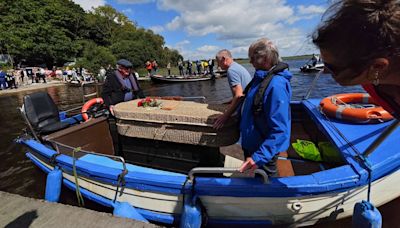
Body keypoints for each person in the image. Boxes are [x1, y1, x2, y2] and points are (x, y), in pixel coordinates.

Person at [312, 0, 400, 118]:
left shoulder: (370, 75)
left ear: (377, 66)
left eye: (333, 68)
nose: (325, 71)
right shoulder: (370, 77)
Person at [238, 38, 292, 176]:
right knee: (255, 177)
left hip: (261, 150)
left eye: (253, 58)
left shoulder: (276, 85)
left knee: (265, 180)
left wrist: (259, 157)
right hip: (253, 145)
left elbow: (280, 130)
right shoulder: (260, 79)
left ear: (266, 58)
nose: (250, 62)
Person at [213, 49, 252, 129]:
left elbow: (239, 95)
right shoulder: (237, 67)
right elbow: (243, 91)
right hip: (249, 105)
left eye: (218, 62)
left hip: (245, 110)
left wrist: (225, 116)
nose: (218, 66)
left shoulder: (231, 71)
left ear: (223, 59)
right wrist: (229, 102)